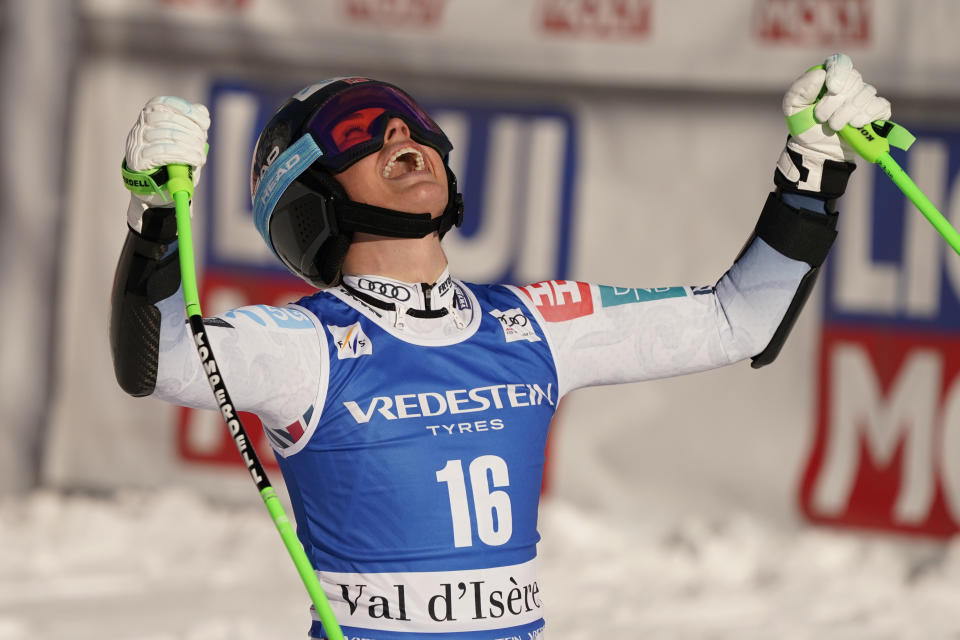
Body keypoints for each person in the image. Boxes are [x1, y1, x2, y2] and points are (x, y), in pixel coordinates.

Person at [111, 55, 890, 639]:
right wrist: (154, 216)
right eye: (358, 133)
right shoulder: (307, 344)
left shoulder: (534, 322)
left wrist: (812, 171)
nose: (401, 134)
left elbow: (739, 319)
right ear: (308, 196)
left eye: (412, 122)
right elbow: (165, 361)